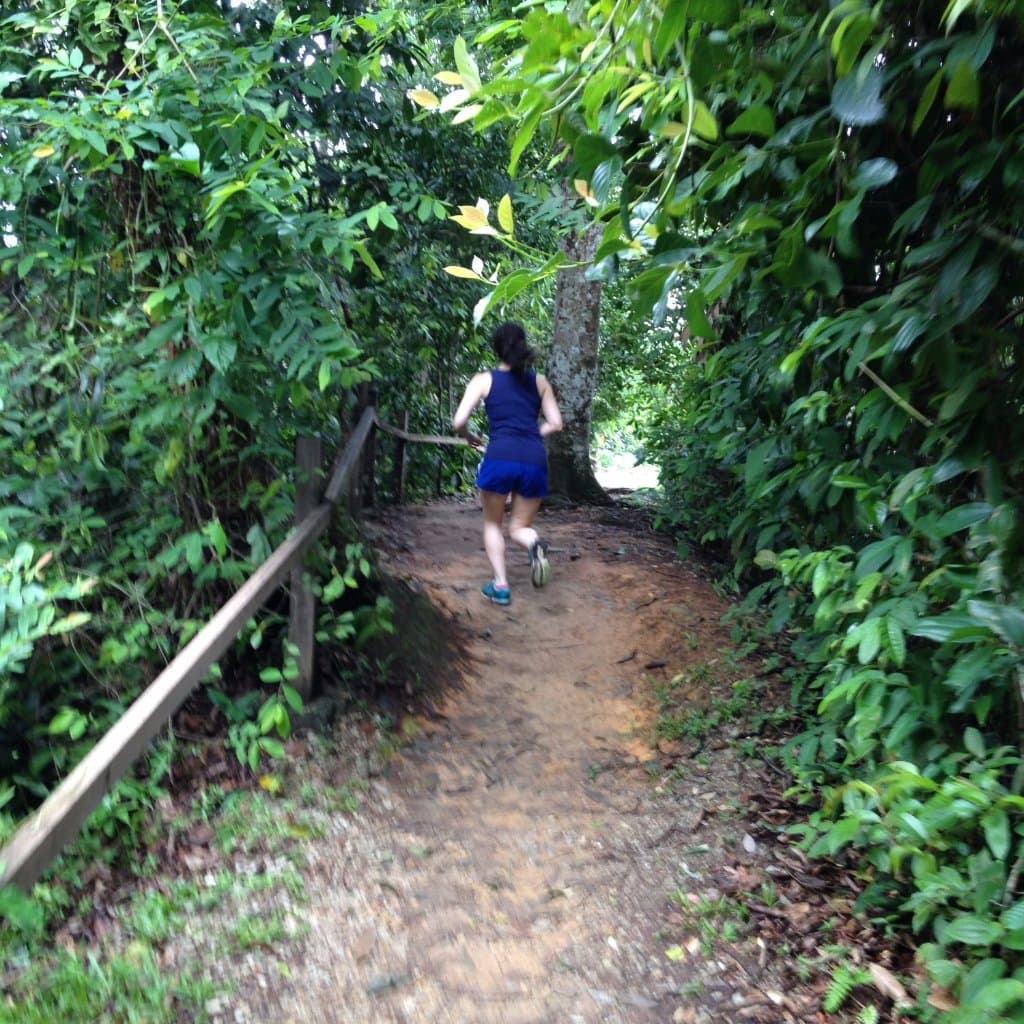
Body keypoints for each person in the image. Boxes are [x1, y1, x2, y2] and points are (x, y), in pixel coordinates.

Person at [452, 322, 563, 606]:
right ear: (522, 345)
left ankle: (500, 585)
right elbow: (556, 424)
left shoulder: (483, 380)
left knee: (493, 524)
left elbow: (458, 422)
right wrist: (531, 434)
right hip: (533, 459)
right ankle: (533, 542)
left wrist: (470, 437)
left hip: (500, 455)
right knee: (519, 529)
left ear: (497, 349)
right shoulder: (539, 382)